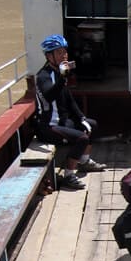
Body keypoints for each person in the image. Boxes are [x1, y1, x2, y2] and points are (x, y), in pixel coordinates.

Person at [34, 34, 106, 190]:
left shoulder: (59, 73)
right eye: (59, 52)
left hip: (61, 122)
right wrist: (63, 77)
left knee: (91, 125)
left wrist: (81, 117)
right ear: (49, 56)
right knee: (81, 138)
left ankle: (85, 162)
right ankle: (68, 175)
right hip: (47, 127)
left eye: (64, 52)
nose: (64, 55)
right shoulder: (43, 76)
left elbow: (69, 99)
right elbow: (49, 95)